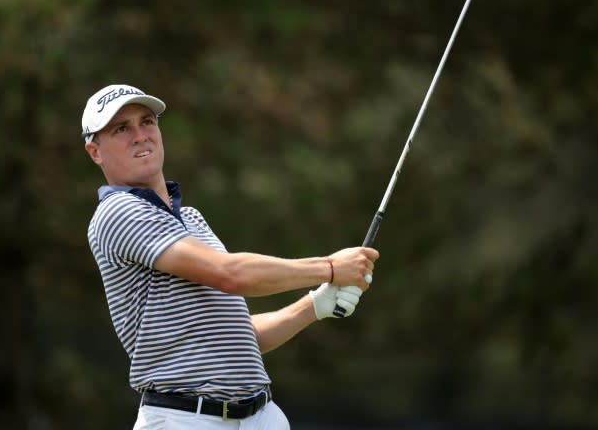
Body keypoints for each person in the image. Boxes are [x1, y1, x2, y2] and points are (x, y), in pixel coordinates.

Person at [81, 84, 379, 429]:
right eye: (121, 129)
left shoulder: (190, 219)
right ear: (95, 152)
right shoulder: (118, 211)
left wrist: (314, 305)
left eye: (147, 121)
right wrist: (329, 268)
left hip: (260, 416)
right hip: (186, 419)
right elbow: (232, 275)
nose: (140, 135)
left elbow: (239, 338)